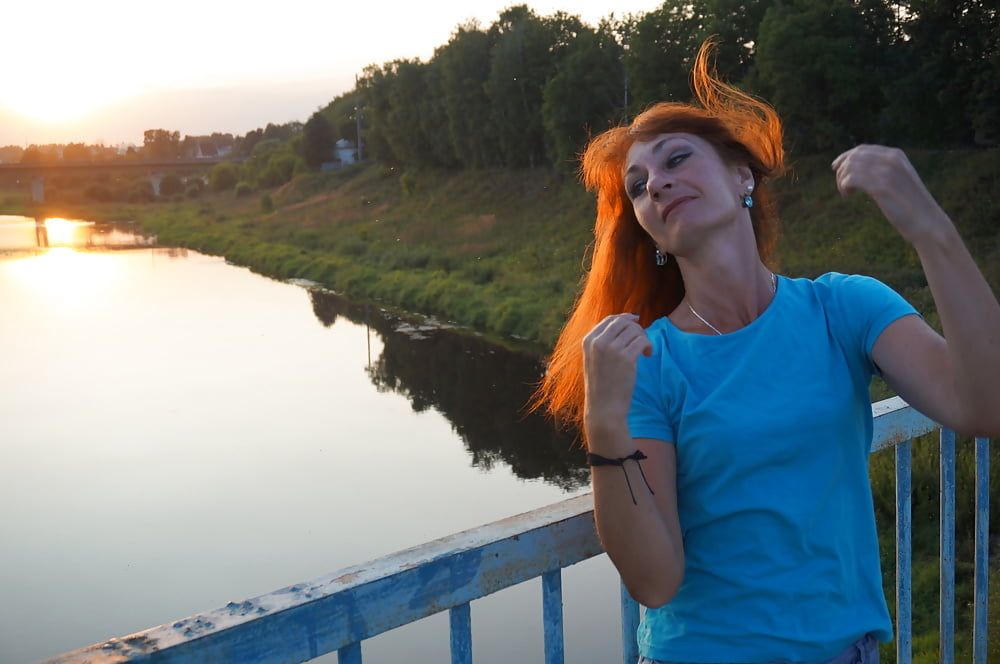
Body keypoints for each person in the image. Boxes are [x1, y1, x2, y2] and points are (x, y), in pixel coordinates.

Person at [533, 38, 1000, 664]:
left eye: (676, 159)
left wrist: (931, 230)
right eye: (639, 186)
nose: (658, 183)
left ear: (741, 176)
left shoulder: (843, 308)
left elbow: (984, 406)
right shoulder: (651, 359)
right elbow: (654, 581)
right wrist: (605, 424)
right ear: (650, 231)